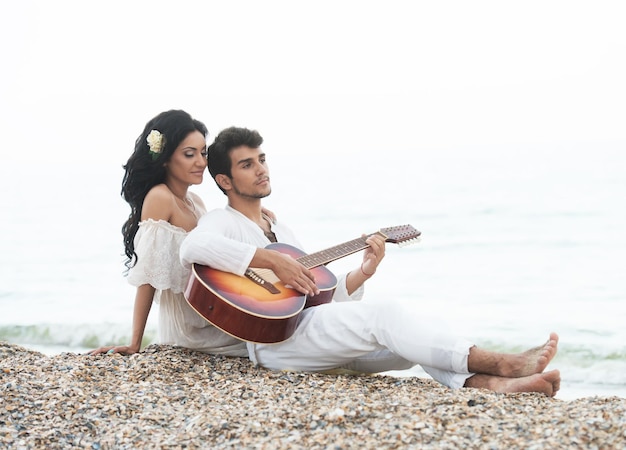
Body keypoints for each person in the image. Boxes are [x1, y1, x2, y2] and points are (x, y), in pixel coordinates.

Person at [179, 126, 562, 397]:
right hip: (271, 344)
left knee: (417, 334)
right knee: (386, 315)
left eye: (262, 159)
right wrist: (270, 261)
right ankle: (505, 364)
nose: (261, 169)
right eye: (247, 164)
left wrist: (362, 273)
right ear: (225, 181)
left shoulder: (281, 227)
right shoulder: (221, 221)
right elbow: (192, 248)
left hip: (303, 333)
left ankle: (492, 385)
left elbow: (314, 299)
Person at [88, 110, 248, 357]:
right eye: (189, 154)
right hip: (189, 328)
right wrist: (134, 344)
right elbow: (148, 276)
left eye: (203, 152)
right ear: (165, 159)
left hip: (210, 313)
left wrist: (255, 213)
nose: (201, 162)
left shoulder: (196, 201)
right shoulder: (160, 197)